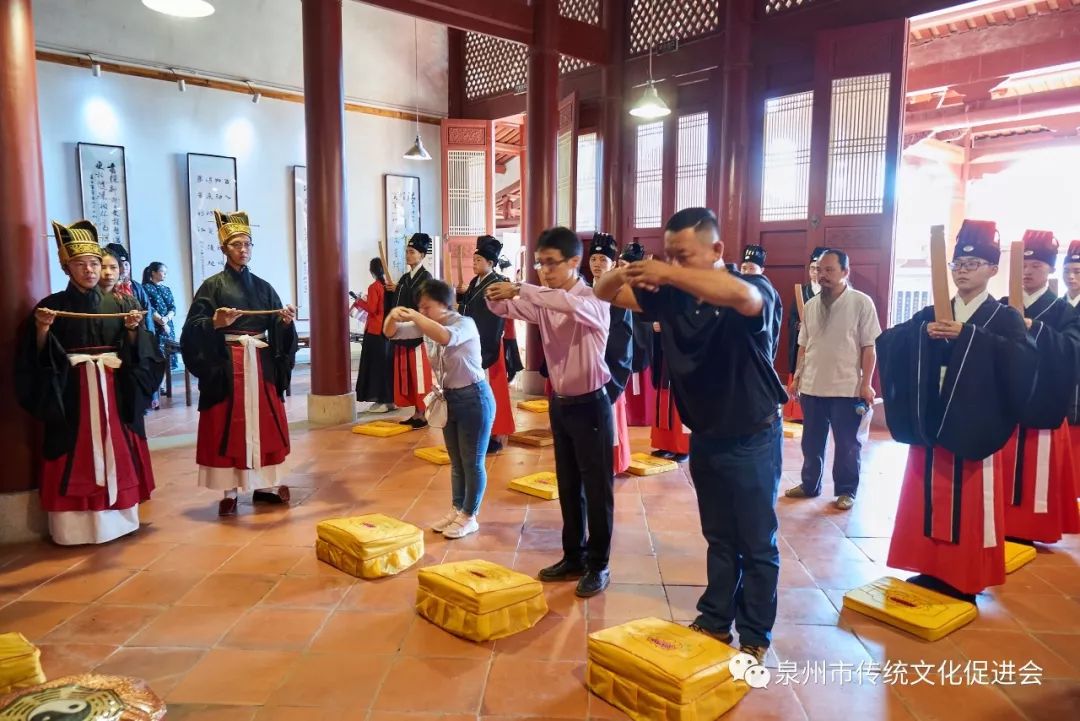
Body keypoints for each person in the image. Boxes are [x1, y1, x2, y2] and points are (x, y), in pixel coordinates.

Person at [594, 207, 787, 665]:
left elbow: (740, 296)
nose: (675, 265)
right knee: (719, 536)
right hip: (707, 436)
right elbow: (605, 292)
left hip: (752, 437)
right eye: (671, 257)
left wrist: (667, 272)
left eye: (685, 256)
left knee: (757, 541)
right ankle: (716, 618)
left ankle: (756, 631)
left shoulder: (753, 287)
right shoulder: (674, 297)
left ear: (718, 250)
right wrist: (631, 266)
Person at [876, 220, 1037, 601]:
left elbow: (1022, 362)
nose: (963, 271)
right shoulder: (935, 309)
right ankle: (930, 567)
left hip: (974, 423)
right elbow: (891, 340)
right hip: (932, 415)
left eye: (974, 264)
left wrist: (969, 337)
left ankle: (965, 576)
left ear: (992, 270)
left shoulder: (1005, 317)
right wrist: (921, 336)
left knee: (969, 498)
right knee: (924, 493)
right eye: (958, 265)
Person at [486, 227, 614, 598]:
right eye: (539, 263)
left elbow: (566, 304)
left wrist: (523, 288)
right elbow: (509, 307)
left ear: (575, 262)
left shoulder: (593, 297)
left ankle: (598, 564)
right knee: (568, 485)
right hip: (561, 404)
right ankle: (572, 556)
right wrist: (495, 294)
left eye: (551, 263)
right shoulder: (546, 298)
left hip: (592, 405)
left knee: (597, 489)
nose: (543, 270)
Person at [16, 220, 163, 545]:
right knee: (74, 451)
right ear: (65, 266)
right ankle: (73, 529)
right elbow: (35, 359)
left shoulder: (122, 304)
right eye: (80, 264)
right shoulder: (51, 306)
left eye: (94, 263)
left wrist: (132, 331)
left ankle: (120, 520)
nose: (89, 270)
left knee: (118, 446)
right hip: (72, 393)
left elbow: (143, 353)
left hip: (113, 391)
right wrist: (42, 331)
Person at [181, 211, 298, 517]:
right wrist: (215, 323)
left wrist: (284, 323)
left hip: (259, 363)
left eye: (247, 244)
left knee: (265, 422)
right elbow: (192, 328)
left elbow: (276, 324)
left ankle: (265, 485)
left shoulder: (263, 287)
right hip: (227, 365)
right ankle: (229, 490)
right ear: (224, 249)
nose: (243, 249)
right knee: (226, 424)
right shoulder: (211, 286)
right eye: (236, 245)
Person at [386, 280, 495, 539]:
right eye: (419, 307)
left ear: (445, 305)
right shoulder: (427, 325)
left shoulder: (464, 324)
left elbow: (445, 337)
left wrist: (415, 316)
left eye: (426, 307)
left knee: (473, 462)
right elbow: (391, 333)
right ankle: (457, 509)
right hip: (449, 399)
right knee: (456, 463)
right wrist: (392, 315)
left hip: (474, 398)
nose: (421, 312)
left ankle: (470, 516)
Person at [997, 231, 1080, 545]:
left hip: (1041, 403)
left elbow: (1073, 349)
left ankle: (1029, 529)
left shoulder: (1063, 311)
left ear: (1049, 270)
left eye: (1036, 265)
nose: (1028, 271)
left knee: (1035, 471)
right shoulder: (1004, 306)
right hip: (1005, 405)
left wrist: (1035, 327)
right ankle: (998, 521)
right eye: (1024, 265)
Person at [785, 250, 881, 511]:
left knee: (848, 444)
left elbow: (869, 346)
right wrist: (798, 377)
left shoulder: (861, 303)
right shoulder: (811, 305)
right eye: (819, 269)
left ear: (845, 273)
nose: (822, 275)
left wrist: (866, 383)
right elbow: (804, 345)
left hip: (846, 387)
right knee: (811, 441)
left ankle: (846, 490)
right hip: (813, 386)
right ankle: (809, 484)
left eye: (829, 270)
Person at [457, 236, 516, 452]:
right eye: (473, 260)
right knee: (479, 391)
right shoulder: (475, 282)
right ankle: (483, 431)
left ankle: (496, 435)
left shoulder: (498, 284)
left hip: (490, 346)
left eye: (478, 260)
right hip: (474, 344)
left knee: (493, 390)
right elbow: (466, 308)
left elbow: (494, 318)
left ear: (491, 263)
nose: (474, 264)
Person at [588, 233, 633, 474]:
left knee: (609, 418)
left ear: (613, 264)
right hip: (587, 365)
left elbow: (622, 336)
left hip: (607, 367)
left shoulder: (619, 293)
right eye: (593, 258)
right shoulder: (585, 289)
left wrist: (611, 371)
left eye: (602, 260)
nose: (596, 263)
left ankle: (611, 463)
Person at [386, 233, 434, 428]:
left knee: (419, 374)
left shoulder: (426, 278)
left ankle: (422, 413)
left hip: (417, 334)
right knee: (408, 375)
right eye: (406, 251)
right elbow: (400, 301)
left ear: (422, 255)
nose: (408, 255)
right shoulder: (406, 278)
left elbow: (424, 305)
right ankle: (416, 412)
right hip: (403, 332)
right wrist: (397, 289)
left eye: (412, 252)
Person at [784, 248, 827, 421]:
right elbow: (792, 316)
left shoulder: (831, 292)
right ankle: (797, 413)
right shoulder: (801, 291)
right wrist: (798, 325)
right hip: (804, 341)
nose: (815, 272)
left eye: (818, 268)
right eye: (812, 268)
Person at [353, 257, 396, 413]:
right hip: (388, 331)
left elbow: (372, 309)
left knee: (375, 368)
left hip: (374, 332)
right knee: (386, 366)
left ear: (371, 271)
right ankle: (390, 400)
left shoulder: (374, 287)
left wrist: (359, 301)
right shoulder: (389, 286)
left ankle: (381, 400)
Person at [649, 325, 690, 463]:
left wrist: (668, 326)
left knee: (680, 403)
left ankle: (684, 447)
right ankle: (665, 445)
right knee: (664, 398)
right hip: (667, 353)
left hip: (685, 357)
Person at [103, 243, 153, 333]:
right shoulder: (104, 287)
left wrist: (149, 334)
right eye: (121, 264)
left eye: (126, 264)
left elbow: (147, 311)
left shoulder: (136, 287)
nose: (125, 268)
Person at [142, 262, 179, 372]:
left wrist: (167, 319)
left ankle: (167, 385)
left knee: (169, 356)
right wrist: (161, 322)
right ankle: (160, 386)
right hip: (155, 326)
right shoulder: (146, 288)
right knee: (158, 356)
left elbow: (173, 307)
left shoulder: (166, 289)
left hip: (168, 326)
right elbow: (148, 307)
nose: (165, 274)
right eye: (163, 272)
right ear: (153, 273)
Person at [1065, 241, 1080, 484]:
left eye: (1078, 271)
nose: (1071, 276)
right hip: (1061, 400)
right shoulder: (1057, 308)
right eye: (1066, 271)